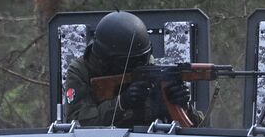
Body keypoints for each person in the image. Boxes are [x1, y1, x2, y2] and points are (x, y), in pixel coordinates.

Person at [62, 11, 201, 128]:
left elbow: (198, 131)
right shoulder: (81, 72)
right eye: (131, 62)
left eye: (143, 59)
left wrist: (183, 106)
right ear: (106, 60)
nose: (139, 66)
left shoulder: (153, 72)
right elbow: (77, 123)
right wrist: (121, 103)